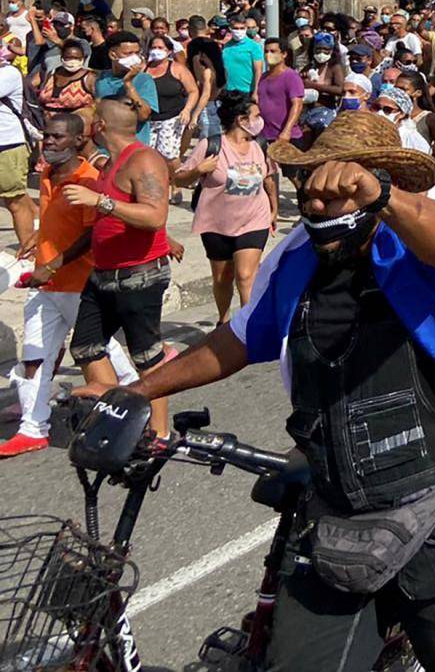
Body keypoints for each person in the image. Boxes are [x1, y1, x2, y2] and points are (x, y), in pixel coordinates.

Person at [76, 112, 435, 670]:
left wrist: (381, 197)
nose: (315, 203)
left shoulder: (422, 245)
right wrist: (137, 391)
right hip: (333, 518)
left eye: (336, 190)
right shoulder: (297, 259)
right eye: (309, 187)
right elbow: (235, 340)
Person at [0, 114, 136, 458]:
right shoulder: (47, 174)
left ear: (78, 141)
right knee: (34, 356)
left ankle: (138, 392)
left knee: (100, 348)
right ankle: (34, 428)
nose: (48, 142)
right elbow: (54, 217)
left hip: (80, 283)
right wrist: (37, 236)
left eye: (57, 137)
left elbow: (93, 234)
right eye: (46, 135)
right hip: (45, 286)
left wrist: (53, 264)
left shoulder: (89, 180)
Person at [66, 99, 174, 437]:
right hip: (104, 274)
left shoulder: (143, 159)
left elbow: (155, 215)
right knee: (85, 346)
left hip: (138, 275)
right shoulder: (110, 163)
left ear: (100, 125)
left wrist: (101, 201)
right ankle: (117, 418)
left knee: (146, 359)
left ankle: (159, 434)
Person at [174, 90, 276, 324]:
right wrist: (198, 170)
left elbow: (269, 178)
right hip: (217, 223)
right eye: (255, 115)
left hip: (254, 220)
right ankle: (224, 320)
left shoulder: (260, 144)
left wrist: (274, 209)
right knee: (222, 278)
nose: (260, 120)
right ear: (241, 120)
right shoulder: (210, 145)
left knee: (245, 276)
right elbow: (178, 180)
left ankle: (245, 328)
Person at [0, 46, 37, 250]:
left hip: (7, 144)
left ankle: (28, 250)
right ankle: (40, 224)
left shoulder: (8, 73)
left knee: (13, 200)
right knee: (16, 196)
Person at [142, 33, 198, 164]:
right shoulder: (143, 68)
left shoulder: (177, 69)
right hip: (148, 119)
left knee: (168, 153)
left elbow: (193, 90)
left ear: (169, 51)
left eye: (160, 48)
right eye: (153, 47)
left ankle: (174, 181)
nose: (156, 50)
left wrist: (187, 110)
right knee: (147, 153)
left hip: (171, 117)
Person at [94, 31, 158, 144]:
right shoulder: (100, 79)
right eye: (128, 53)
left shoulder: (144, 80)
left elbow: (143, 115)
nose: (134, 58)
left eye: (137, 53)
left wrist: (128, 84)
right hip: (105, 148)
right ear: (113, 55)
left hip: (134, 148)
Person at [257, 36, 306, 146]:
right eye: (266, 51)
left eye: (273, 51)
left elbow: (297, 105)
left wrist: (286, 131)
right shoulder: (263, 77)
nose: (268, 55)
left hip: (287, 137)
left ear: (284, 54)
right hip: (265, 136)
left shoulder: (291, 76)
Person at [221, 15, 264, 94]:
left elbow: (258, 70)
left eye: (242, 28)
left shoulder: (254, 46)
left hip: (246, 91)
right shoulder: (226, 46)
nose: (239, 31)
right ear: (230, 28)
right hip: (228, 91)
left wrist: (256, 92)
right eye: (236, 28)